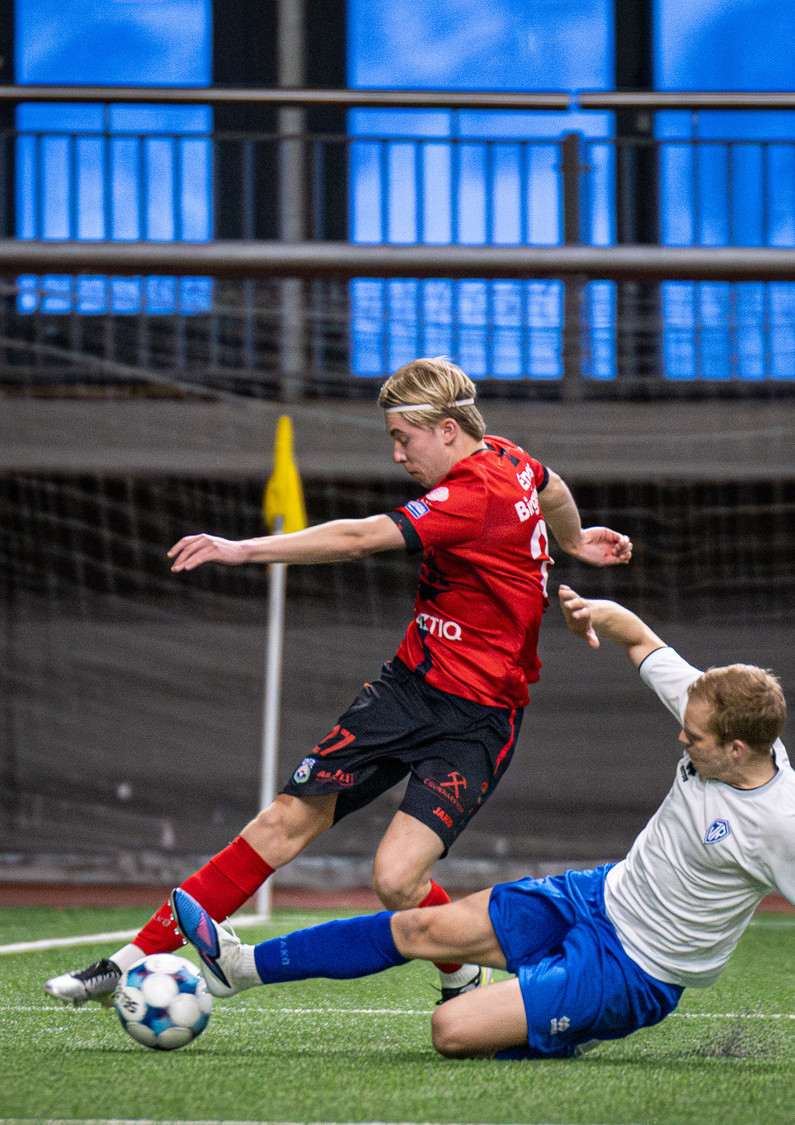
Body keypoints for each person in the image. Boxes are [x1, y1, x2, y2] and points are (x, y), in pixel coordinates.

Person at [45, 358, 632, 1009]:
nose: (396, 454)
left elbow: (357, 538)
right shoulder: (507, 456)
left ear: (446, 429)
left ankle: (464, 966)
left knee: (397, 881)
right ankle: (127, 962)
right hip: (406, 691)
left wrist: (242, 549)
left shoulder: (473, 494)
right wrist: (575, 539)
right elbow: (552, 487)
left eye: (403, 439)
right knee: (282, 823)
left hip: (479, 718)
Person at [170, 584, 795, 1068]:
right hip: (595, 895)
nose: (681, 739)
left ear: (738, 749)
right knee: (418, 927)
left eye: (695, 738)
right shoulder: (708, 706)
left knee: (451, 1031)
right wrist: (594, 611)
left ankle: (566, 1015)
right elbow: (637, 638)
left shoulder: (787, 826)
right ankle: (240, 967)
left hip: (636, 970)